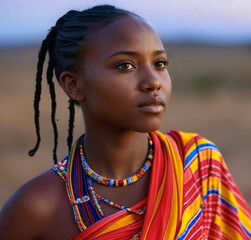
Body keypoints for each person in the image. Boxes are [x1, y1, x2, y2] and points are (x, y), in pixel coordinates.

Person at [0, 4, 250, 240]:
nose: (154, 81)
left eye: (159, 63)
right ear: (73, 85)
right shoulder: (38, 205)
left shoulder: (197, 164)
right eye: (125, 65)